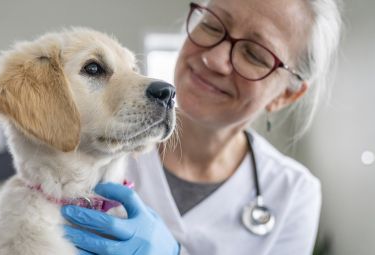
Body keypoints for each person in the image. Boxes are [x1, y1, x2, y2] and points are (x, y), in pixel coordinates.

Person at [61, 0, 342, 254]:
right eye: (211, 25)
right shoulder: (87, 142)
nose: (214, 59)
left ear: (286, 95)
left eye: (254, 54)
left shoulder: (293, 193)